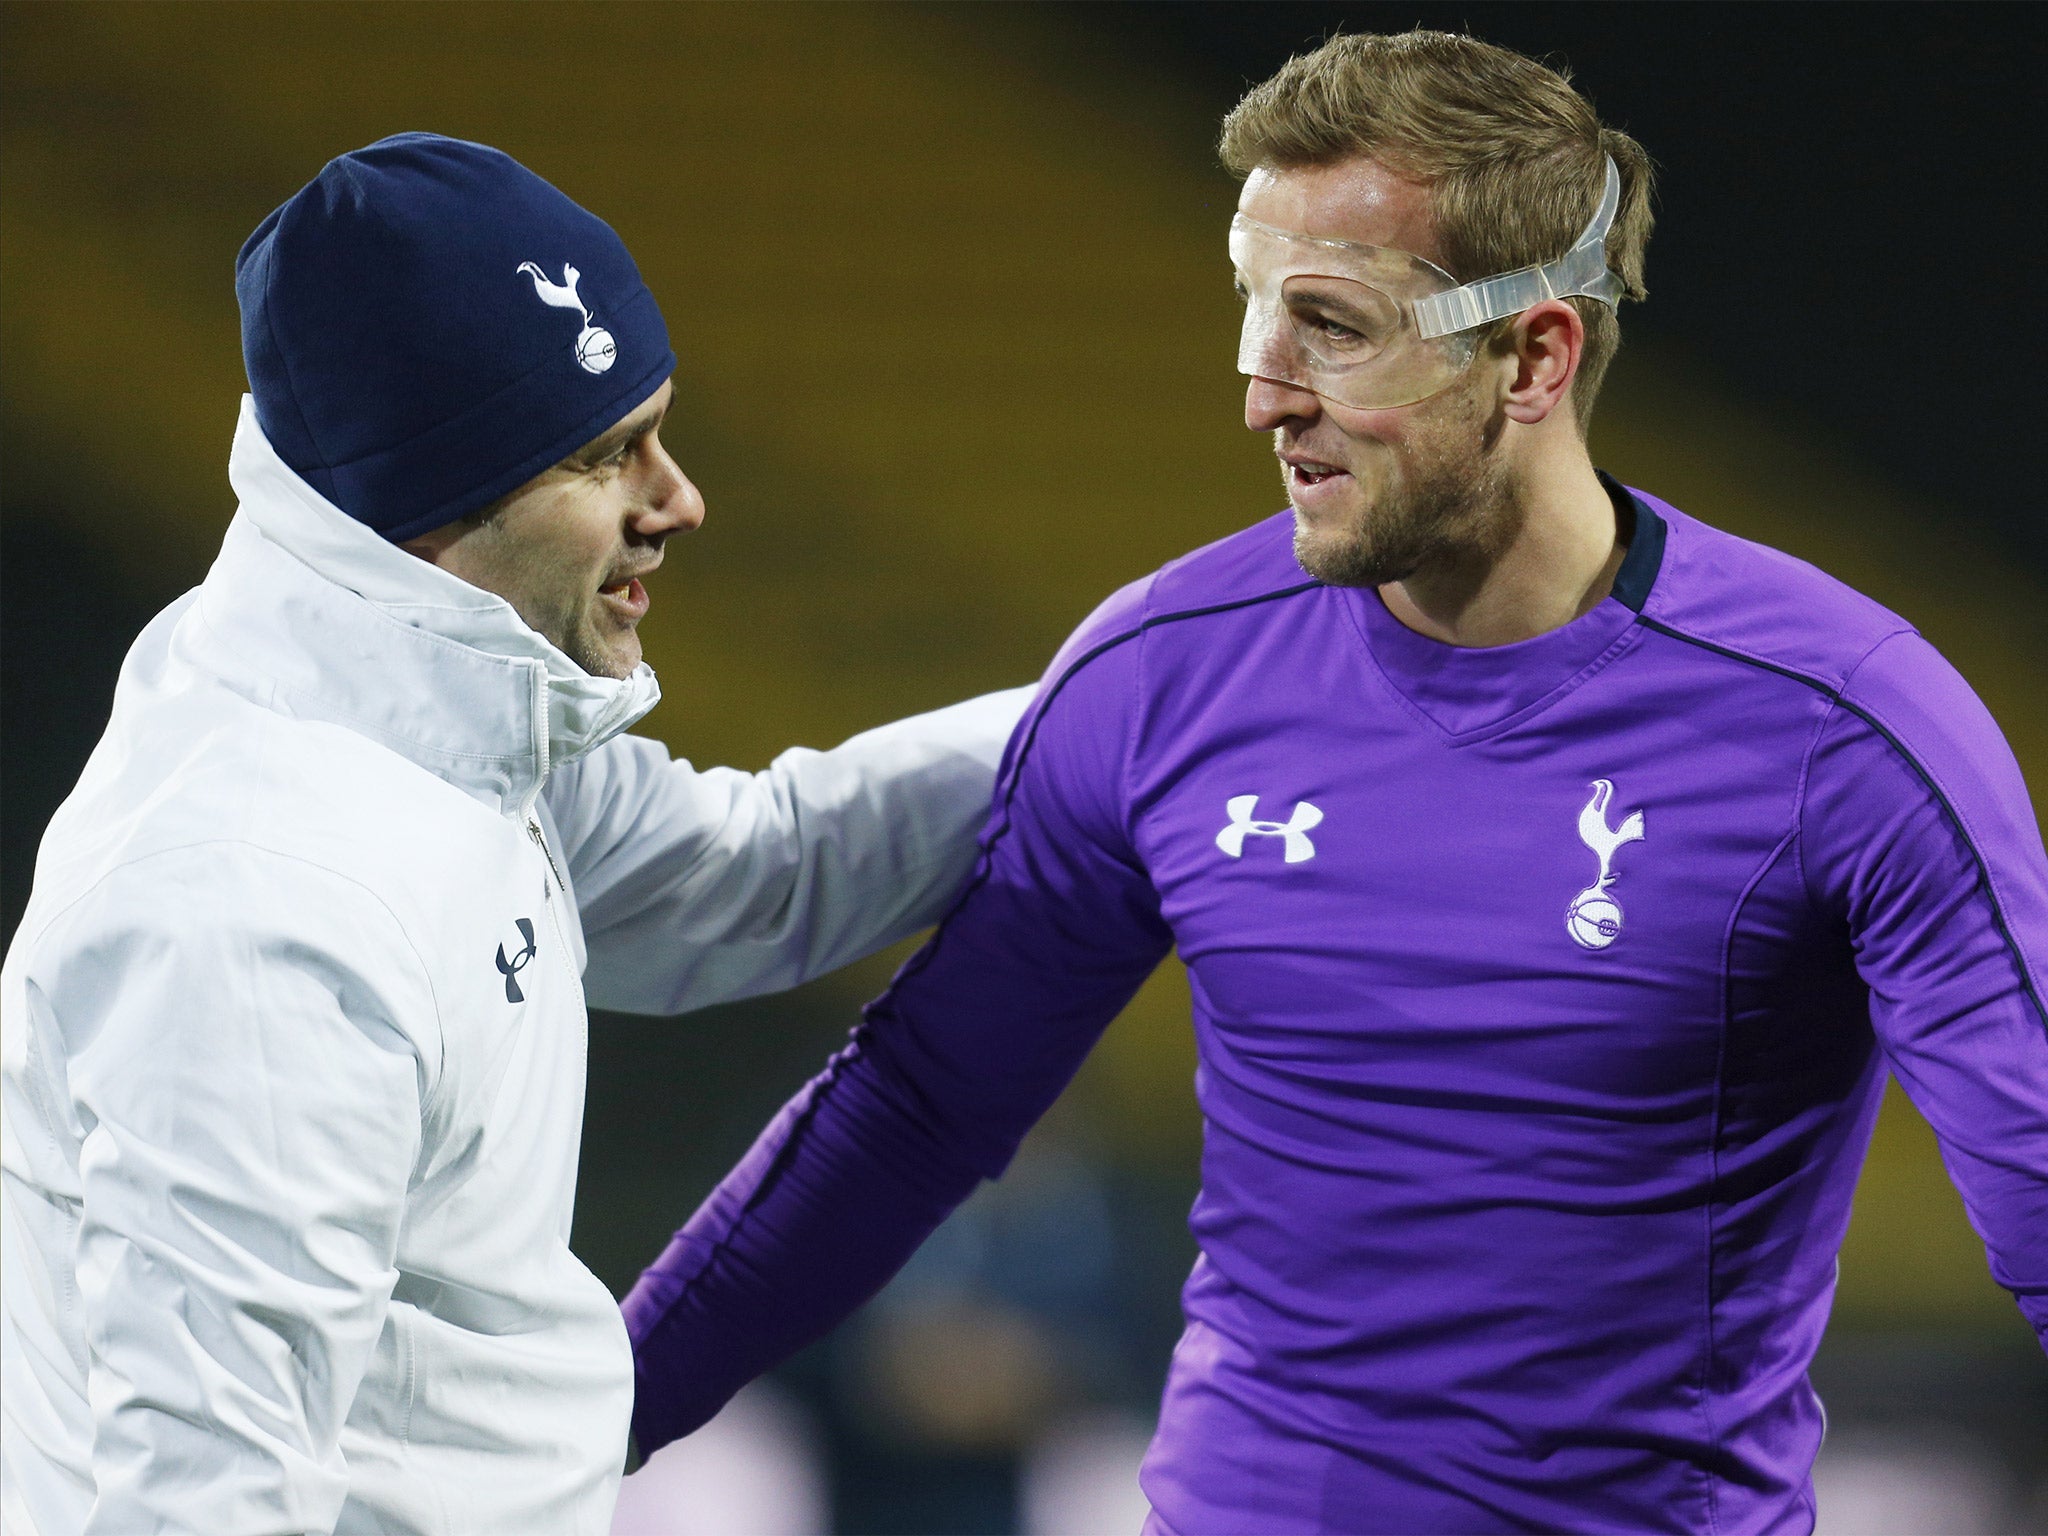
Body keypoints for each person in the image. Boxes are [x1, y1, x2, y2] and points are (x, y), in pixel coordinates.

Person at [621, 31, 2048, 1535]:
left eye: (1333, 326)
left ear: (1534, 356)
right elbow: (915, 1110)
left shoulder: (1844, 727)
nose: (1262, 393)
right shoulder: (1164, 672)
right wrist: (591, 1428)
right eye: (1253, 312)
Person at [0, 134, 1030, 1535]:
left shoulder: (417, 699)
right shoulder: (249, 911)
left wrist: (1152, 702)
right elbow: (205, 1501)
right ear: (437, 510)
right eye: (612, 455)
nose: (679, 503)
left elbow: (750, 870)